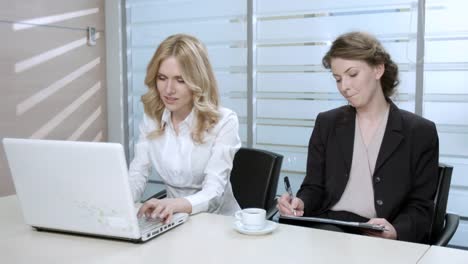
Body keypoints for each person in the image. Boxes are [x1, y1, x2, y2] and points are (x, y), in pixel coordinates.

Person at [277, 31, 439, 243]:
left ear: (378, 69)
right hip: (326, 228)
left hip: (379, 238)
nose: (344, 86)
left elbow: (421, 207)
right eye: (338, 79)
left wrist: (397, 230)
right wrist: (301, 203)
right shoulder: (326, 123)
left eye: (352, 74)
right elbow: (313, 186)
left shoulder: (420, 132)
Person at [128, 34, 241, 224]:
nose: (168, 90)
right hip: (173, 221)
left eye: (180, 80)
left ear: (198, 81)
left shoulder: (224, 121)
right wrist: (118, 203)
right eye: (162, 78)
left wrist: (175, 204)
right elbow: (138, 174)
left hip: (220, 224)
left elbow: (214, 194)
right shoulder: (151, 119)